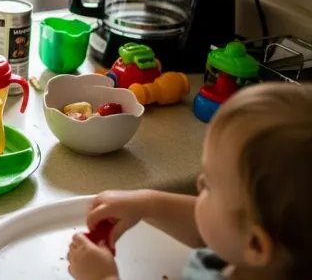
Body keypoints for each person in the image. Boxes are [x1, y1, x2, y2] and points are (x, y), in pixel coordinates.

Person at [67, 82, 312, 280]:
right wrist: (147, 204)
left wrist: (103, 277)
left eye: (209, 185)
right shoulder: (247, 253)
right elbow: (209, 228)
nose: (199, 185)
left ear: (257, 245)